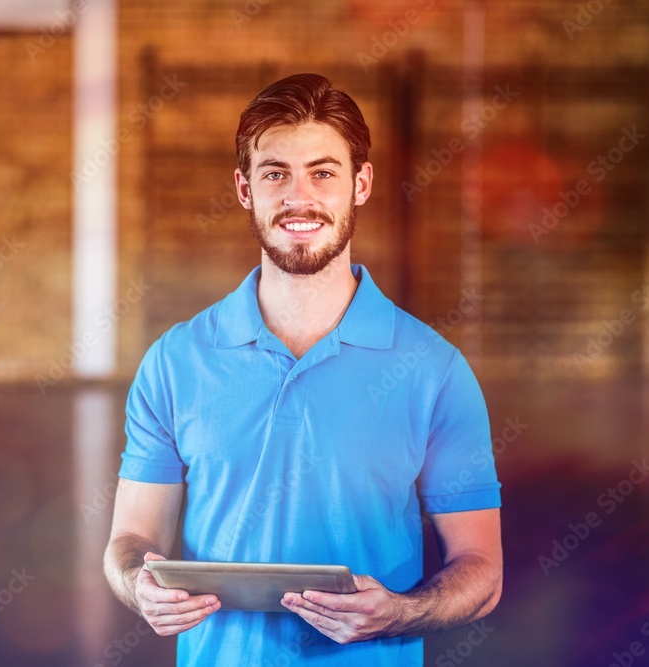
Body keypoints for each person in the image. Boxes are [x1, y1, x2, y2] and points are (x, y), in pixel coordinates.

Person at [103, 74, 502, 666]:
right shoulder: (175, 360)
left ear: (360, 183)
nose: (299, 197)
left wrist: (402, 611)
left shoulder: (434, 370)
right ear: (244, 189)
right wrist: (139, 584)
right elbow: (130, 541)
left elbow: (482, 571)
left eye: (323, 172)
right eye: (274, 173)